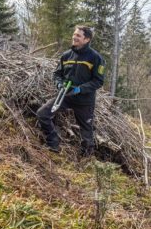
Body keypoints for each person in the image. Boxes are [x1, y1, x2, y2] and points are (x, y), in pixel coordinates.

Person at [37, 25, 105, 157]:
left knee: (86, 130)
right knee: (42, 114)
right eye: (74, 34)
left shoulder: (95, 58)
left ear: (87, 39)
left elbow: (98, 81)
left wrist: (80, 89)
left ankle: (86, 158)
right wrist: (59, 84)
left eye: (78, 35)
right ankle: (53, 144)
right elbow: (57, 74)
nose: (74, 37)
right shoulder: (66, 55)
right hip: (65, 97)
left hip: (84, 101)